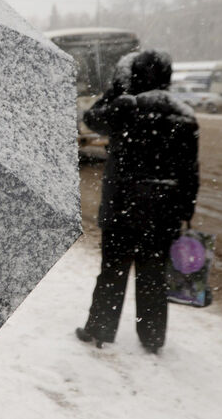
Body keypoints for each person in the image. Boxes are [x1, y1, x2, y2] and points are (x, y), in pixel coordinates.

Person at [76, 49, 199, 354]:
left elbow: (91, 119)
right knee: (153, 277)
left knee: (112, 274)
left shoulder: (124, 108)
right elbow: (189, 171)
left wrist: (115, 91)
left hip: (123, 208)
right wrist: (185, 210)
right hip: (164, 213)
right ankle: (152, 338)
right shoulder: (184, 115)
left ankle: (100, 331)